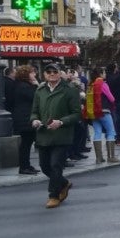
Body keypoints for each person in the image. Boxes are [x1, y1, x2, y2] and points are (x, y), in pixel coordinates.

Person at [31, 63, 79, 209]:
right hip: (44, 134)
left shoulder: (69, 90)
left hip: (61, 135)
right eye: (48, 72)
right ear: (44, 74)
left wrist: (61, 122)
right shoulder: (40, 90)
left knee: (55, 165)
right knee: (44, 166)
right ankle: (64, 183)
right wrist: (34, 120)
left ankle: (54, 195)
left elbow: (76, 114)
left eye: (54, 71)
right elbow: (34, 110)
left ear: (60, 73)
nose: (51, 74)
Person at [83, 67, 119, 164]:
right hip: (104, 111)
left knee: (97, 132)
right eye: (104, 73)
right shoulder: (103, 84)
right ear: (101, 74)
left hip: (94, 113)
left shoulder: (91, 84)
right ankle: (111, 157)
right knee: (111, 132)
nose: (105, 74)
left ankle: (99, 158)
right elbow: (111, 98)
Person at [11, 64, 40, 175]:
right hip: (24, 118)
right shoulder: (24, 86)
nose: (34, 74)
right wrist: (36, 85)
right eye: (32, 72)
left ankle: (26, 165)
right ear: (26, 74)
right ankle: (24, 166)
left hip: (24, 117)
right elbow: (35, 97)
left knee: (27, 143)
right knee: (26, 144)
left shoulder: (22, 85)